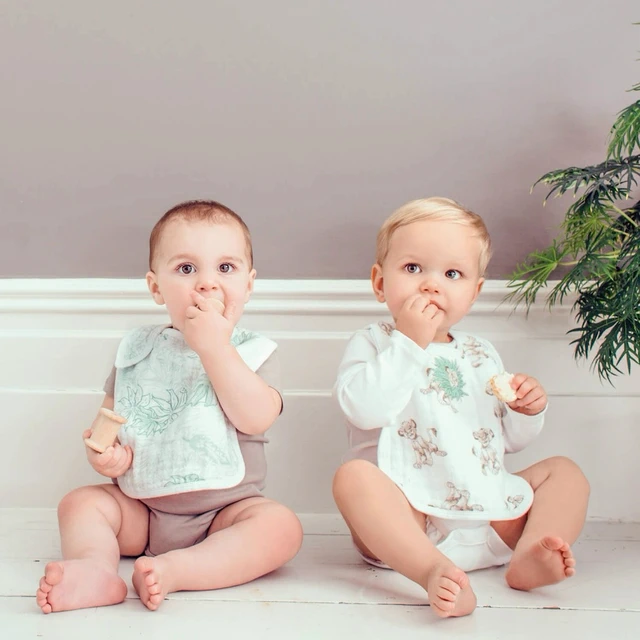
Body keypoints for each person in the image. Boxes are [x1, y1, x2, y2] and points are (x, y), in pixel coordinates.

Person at [36, 200, 303, 613]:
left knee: (280, 528)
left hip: (225, 514)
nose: (207, 284)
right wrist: (106, 456)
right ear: (156, 287)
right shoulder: (138, 351)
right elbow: (110, 425)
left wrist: (214, 348)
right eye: (186, 268)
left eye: (225, 268)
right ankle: (95, 568)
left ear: (249, 285)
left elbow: (255, 418)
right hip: (143, 512)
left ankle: (178, 570)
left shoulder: (253, 352)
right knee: (80, 504)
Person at [332, 197, 589, 618]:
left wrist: (525, 411)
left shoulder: (479, 353)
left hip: (490, 517)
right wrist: (409, 343)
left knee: (565, 473)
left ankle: (531, 551)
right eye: (413, 268)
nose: (431, 285)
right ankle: (433, 571)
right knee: (353, 478)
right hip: (412, 526)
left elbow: (504, 442)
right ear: (380, 282)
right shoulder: (374, 343)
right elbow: (364, 410)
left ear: (474, 292)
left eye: (452, 274)